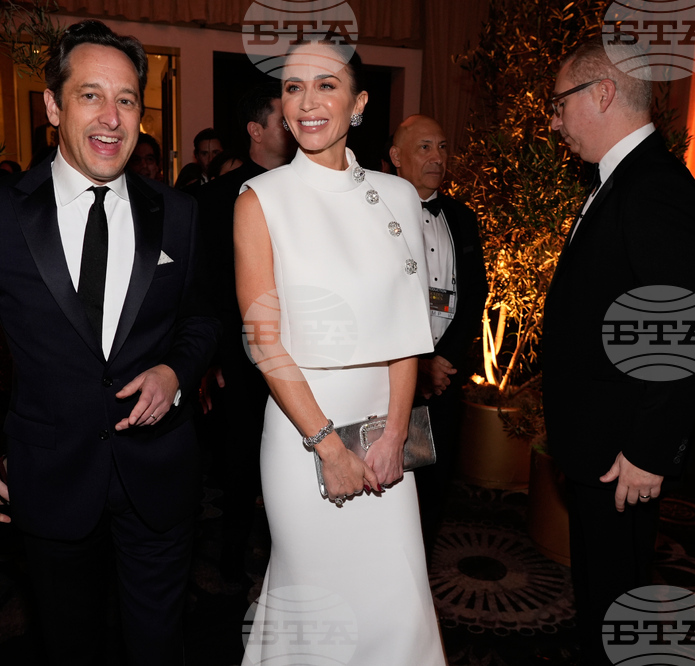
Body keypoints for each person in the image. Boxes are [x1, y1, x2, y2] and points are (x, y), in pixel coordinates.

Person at [0, 20, 218, 666]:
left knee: (159, 647)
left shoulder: (179, 213)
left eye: (126, 99)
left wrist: (176, 371)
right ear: (53, 106)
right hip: (51, 480)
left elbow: (202, 319)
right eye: (91, 95)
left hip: (160, 478)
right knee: (70, 648)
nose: (111, 117)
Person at [235, 39, 445, 664]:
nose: (306, 102)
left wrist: (394, 435)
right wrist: (327, 445)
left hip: (386, 433)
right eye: (293, 87)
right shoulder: (260, 201)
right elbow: (264, 342)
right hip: (304, 435)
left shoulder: (399, 197)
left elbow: (409, 332)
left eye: (326, 85)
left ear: (358, 103)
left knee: (397, 601)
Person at [542, 41, 695, 665]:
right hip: (600, 443)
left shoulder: (652, 187)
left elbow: (683, 331)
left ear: (603, 95)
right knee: (598, 589)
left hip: (625, 455)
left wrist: (647, 452)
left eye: (560, 104)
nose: (555, 121)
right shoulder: (622, 182)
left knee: (617, 596)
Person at [194, 81, 295, 583]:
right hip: (241, 363)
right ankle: (232, 578)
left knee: (299, 476)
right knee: (239, 473)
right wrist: (211, 362)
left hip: (308, 361)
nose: (295, 122)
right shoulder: (216, 201)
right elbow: (207, 287)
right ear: (256, 130)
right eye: (282, 117)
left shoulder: (312, 186)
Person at [390, 114, 488, 561]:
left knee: (436, 482)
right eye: (425, 147)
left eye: (443, 147)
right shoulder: (377, 216)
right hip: (392, 380)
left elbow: (475, 293)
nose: (437, 157)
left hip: (445, 378)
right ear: (396, 157)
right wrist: (418, 363)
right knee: (391, 486)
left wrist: (444, 360)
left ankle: (421, 575)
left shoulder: (462, 217)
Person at [174, 127, 223, 192]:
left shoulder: (232, 180)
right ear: (196, 156)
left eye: (216, 153)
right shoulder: (191, 186)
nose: (210, 159)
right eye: (204, 154)